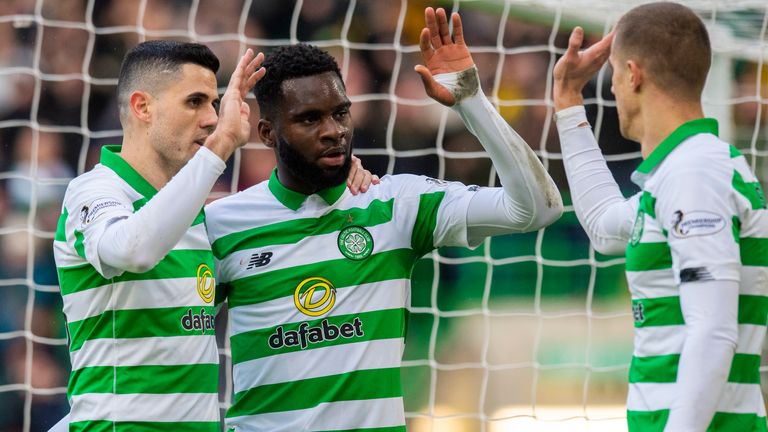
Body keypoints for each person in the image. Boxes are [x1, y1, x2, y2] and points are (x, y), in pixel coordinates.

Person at [206, 7, 564, 431]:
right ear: (267, 133)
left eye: (340, 112)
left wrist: (472, 102)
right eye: (309, 119)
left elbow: (538, 209)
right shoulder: (221, 223)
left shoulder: (397, 204)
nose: (333, 130)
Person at [52, 40, 377, 431]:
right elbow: (133, 251)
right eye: (194, 102)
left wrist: (339, 175)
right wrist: (220, 147)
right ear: (142, 107)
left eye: (214, 103)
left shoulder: (195, 215)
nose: (211, 119)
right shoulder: (96, 190)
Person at [552, 2, 768, 431]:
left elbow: (713, 331)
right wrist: (568, 102)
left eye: (613, 73)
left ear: (633, 74)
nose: (611, 88)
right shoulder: (684, 173)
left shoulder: (695, 174)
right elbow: (604, 227)